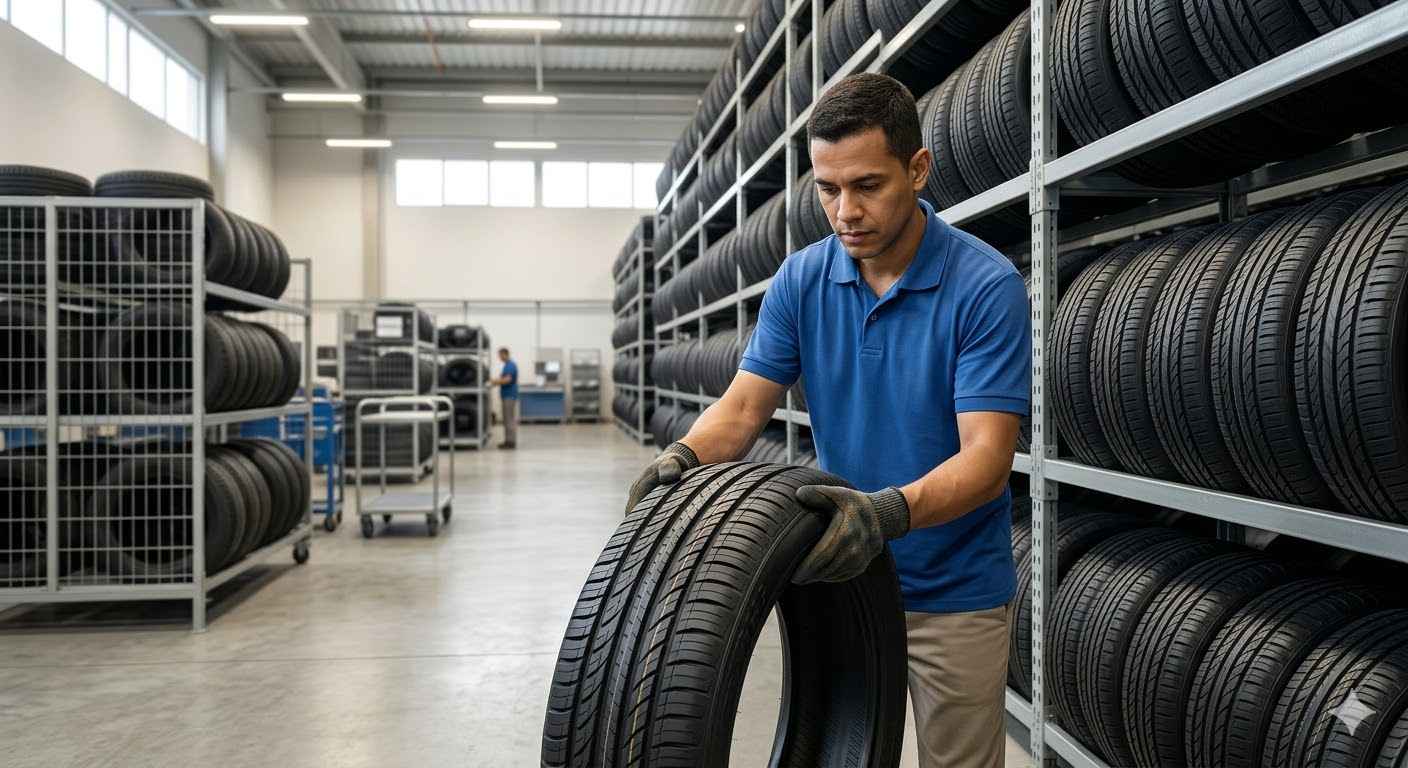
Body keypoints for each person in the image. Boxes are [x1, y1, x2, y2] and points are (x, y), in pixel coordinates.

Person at [624, 73, 1030, 768]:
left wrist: (887, 513)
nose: (845, 210)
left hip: (953, 588)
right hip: (844, 576)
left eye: (868, 185)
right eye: (827, 188)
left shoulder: (984, 287)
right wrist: (683, 460)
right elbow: (745, 407)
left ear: (918, 169)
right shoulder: (801, 278)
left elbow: (986, 458)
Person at [491, 347, 519, 449]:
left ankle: (511, 442)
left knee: (509, 419)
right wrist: (495, 382)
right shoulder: (507, 365)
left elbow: (507, 379)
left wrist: (494, 382)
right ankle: (508, 441)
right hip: (507, 395)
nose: (499, 357)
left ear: (505, 354)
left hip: (509, 396)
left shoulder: (510, 365)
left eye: (500, 355)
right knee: (507, 419)